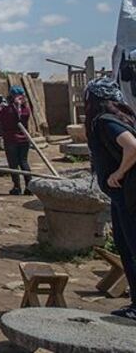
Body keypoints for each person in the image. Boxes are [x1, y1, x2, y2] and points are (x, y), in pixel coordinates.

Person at [85, 77, 136, 320]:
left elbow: (132, 147)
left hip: (130, 196)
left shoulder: (105, 121)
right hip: (122, 197)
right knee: (125, 246)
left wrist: (119, 173)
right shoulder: (118, 117)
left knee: (133, 248)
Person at [0, 85, 33, 195]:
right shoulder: (26, 110)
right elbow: (19, 116)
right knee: (24, 162)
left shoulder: (7, 110)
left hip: (11, 140)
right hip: (24, 139)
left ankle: (17, 187)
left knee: (13, 164)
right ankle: (29, 187)